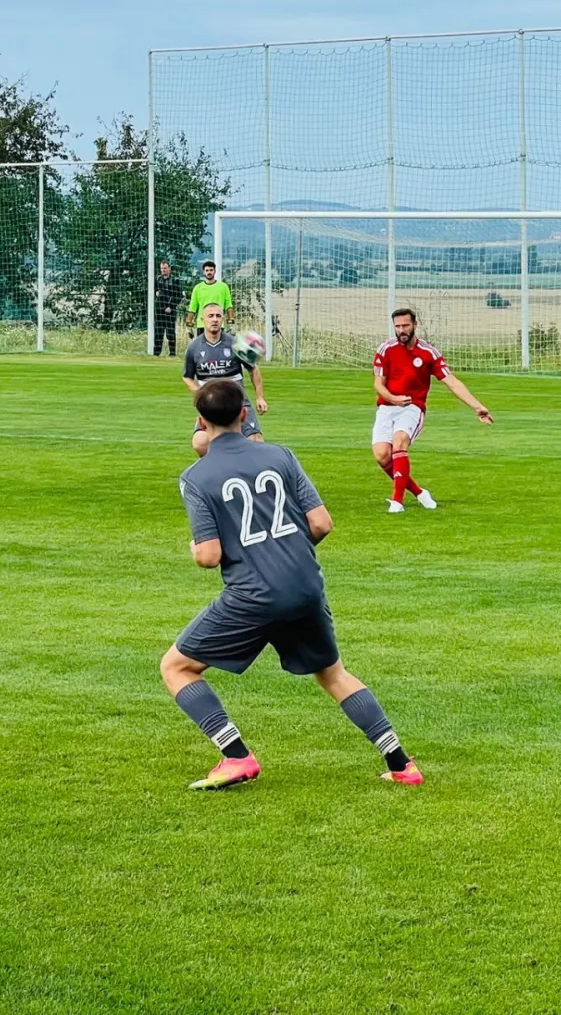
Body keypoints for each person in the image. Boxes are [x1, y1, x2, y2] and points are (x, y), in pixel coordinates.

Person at [162, 379, 422, 790]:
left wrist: (197, 548)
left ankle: (236, 757)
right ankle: (402, 765)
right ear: (244, 414)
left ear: (199, 421)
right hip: (304, 584)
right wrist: (287, 552)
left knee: (176, 667)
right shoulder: (280, 455)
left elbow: (209, 556)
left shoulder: (196, 477)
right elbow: (321, 523)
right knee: (334, 674)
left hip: (252, 593)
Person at [372, 307, 492, 513]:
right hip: (387, 407)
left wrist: (477, 406)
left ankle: (397, 502)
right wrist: (393, 398)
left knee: (400, 442)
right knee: (382, 455)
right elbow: (378, 384)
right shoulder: (385, 349)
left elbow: (452, 382)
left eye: (405, 325)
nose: (401, 330)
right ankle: (420, 493)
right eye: (398, 326)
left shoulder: (429, 352)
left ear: (415, 325)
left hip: (412, 407)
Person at [183, 303, 266, 456]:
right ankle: (216, 466)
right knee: (200, 443)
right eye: (210, 316)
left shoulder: (236, 344)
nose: (214, 319)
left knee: (255, 442)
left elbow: (253, 369)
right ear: (202, 319)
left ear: (223, 319)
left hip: (237, 400)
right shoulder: (194, 348)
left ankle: (246, 469)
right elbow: (187, 377)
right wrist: (201, 393)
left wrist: (260, 397)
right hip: (211, 402)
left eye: (218, 316)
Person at [187, 260, 233, 332]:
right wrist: (189, 323)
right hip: (202, 324)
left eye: (211, 270)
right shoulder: (197, 288)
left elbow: (228, 305)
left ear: (215, 271)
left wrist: (231, 322)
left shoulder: (223, 287)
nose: (209, 272)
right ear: (203, 272)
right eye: (207, 270)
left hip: (218, 324)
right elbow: (192, 307)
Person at [153, 260, 184, 357]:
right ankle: (156, 354)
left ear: (169, 268)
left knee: (170, 333)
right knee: (158, 333)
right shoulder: (157, 279)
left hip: (170, 311)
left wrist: (171, 306)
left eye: (165, 268)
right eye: (162, 268)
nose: (163, 270)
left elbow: (179, 295)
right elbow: (151, 292)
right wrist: (156, 293)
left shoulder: (175, 280)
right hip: (159, 310)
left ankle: (172, 354)